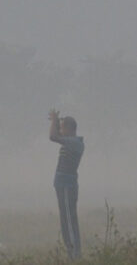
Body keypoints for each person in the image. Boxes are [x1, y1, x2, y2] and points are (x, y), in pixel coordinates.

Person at [49, 109, 84, 259]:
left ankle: (75, 254)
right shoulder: (71, 141)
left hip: (66, 186)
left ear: (70, 129)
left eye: (63, 127)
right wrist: (56, 121)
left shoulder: (75, 143)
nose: (61, 130)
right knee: (66, 219)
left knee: (69, 220)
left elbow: (53, 136)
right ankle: (71, 253)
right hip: (62, 185)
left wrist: (54, 121)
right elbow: (56, 134)